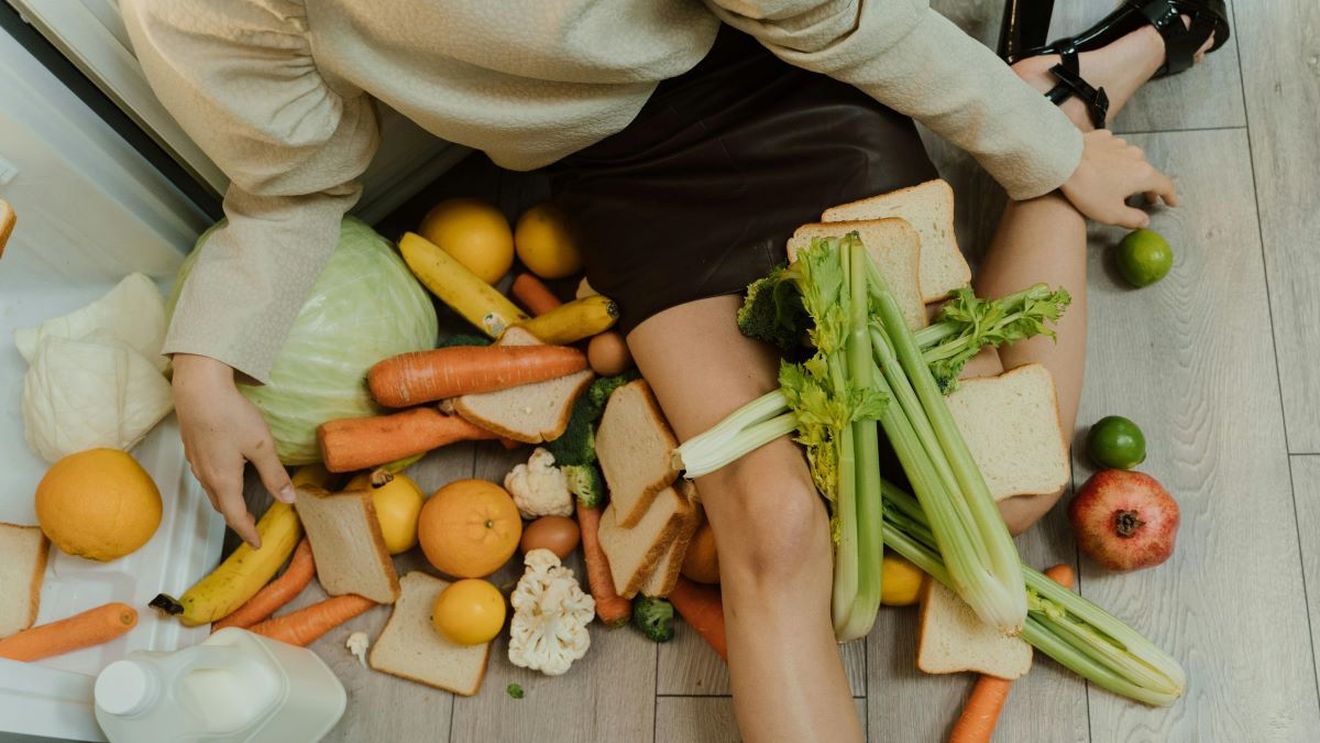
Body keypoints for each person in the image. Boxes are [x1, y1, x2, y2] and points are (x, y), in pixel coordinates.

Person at [121, 1, 1225, 740]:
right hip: (620, 172)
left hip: (773, 71)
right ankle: (1057, 103)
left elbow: (822, 14)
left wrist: (1047, 152)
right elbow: (293, 178)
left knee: (1017, 488)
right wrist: (208, 361)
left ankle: (1068, 103)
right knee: (771, 519)